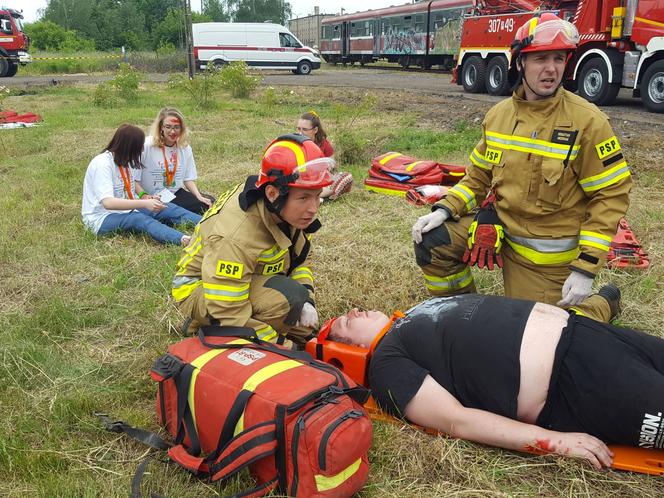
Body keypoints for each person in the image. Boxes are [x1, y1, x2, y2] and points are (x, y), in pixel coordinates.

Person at [411, 13, 632, 317]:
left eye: (559, 58)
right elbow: (477, 179)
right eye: (540, 58)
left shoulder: (588, 122)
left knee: (548, 338)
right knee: (433, 242)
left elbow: (611, 195)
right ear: (519, 63)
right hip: (502, 232)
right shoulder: (499, 117)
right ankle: (459, 314)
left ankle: (604, 302)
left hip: (545, 258)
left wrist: (586, 268)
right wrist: (445, 209)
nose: (552, 69)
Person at [321, 290, 664, 470]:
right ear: (353, 350)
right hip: (577, 383)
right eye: (344, 324)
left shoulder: (408, 318)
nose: (353, 312)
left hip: (587, 335)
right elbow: (458, 420)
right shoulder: (386, 368)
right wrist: (554, 443)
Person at [172, 134, 334, 345]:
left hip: (241, 274)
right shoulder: (236, 237)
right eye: (304, 198)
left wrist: (308, 302)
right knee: (287, 299)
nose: (313, 209)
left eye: (317, 195)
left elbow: (300, 260)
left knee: (300, 310)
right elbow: (230, 313)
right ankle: (206, 323)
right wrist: (284, 346)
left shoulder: (284, 208)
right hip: (199, 287)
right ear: (273, 193)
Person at [81, 124, 201, 246]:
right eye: (139, 147)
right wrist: (144, 203)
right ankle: (185, 240)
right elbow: (108, 203)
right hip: (101, 218)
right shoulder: (102, 164)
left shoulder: (128, 160)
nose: (142, 150)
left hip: (127, 207)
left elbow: (131, 188)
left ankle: (208, 223)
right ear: (128, 147)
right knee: (139, 219)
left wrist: (146, 197)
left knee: (167, 207)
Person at [139, 107, 214, 215]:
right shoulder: (146, 145)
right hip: (150, 196)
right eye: (168, 127)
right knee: (165, 210)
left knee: (208, 202)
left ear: (182, 128)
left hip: (174, 194)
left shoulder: (185, 148)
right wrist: (144, 195)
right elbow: (133, 177)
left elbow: (188, 179)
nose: (172, 131)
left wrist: (198, 196)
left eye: (177, 127)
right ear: (161, 127)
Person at [297, 111, 353, 200]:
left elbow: (331, 167)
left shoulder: (324, 144)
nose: (300, 133)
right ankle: (320, 197)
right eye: (299, 129)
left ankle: (317, 196)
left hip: (320, 181)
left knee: (347, 177)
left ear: (315, 130)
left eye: (304, 129)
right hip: (301, 181)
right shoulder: (295, 144)